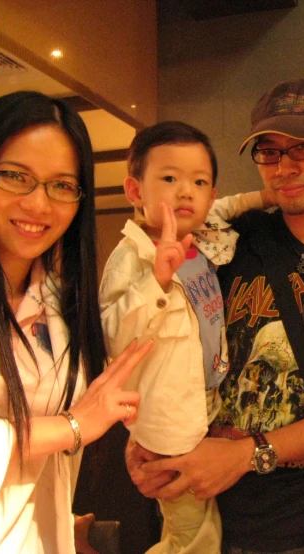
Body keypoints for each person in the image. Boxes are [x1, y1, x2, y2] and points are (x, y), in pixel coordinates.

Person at [126, 78, 304, 553]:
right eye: (270, 151)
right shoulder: (226, 237)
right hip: (207, 513)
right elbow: (163, 331)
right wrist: (146, 438)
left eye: (303, 148)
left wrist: (247, 455)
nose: (285, 166)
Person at [0, 91, 151, 553]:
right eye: (16, 177)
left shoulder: (60, 306)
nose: (40, 205)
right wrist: (68, 427)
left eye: (61, 185)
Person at [99, 121, 268, 553]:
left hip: (204, 403)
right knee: (195, 534)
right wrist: (156, 280)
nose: (185, 191)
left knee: (193, 524)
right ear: (135, 191)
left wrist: (266, 197)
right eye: (169, 179)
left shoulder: (202, 232)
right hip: (168, 420)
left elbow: (229, 206)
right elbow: (113, 337)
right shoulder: (132, 256)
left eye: (199, 182)